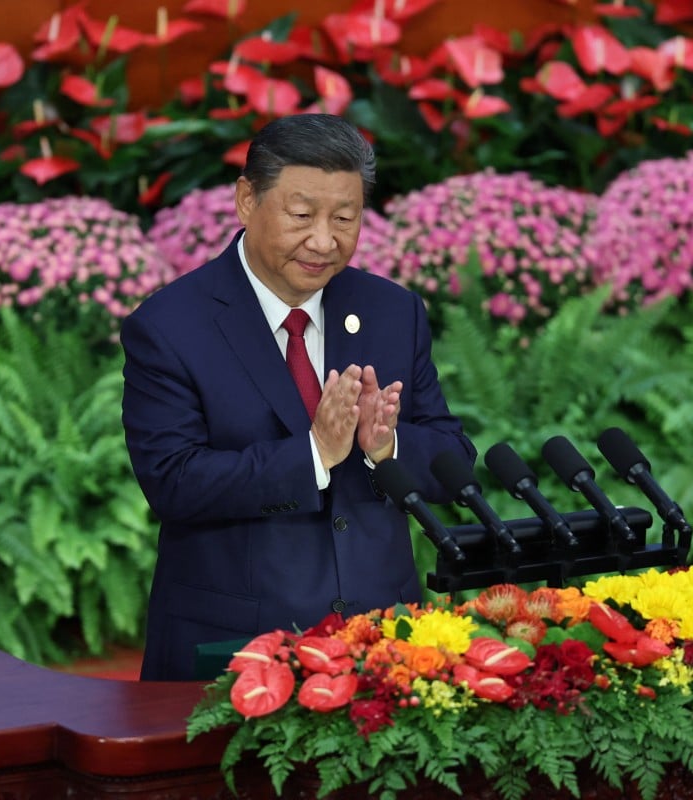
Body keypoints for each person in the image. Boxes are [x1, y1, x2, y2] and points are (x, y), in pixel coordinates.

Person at [121, 113, 476, 681]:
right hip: (235, 651)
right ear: (246, 200)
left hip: (384, 645)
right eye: (302, 215)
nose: (323, 241)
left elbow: (454, 462)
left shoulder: (392, 312)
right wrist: (313, 454)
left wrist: (386, 449)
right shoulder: (170, 326)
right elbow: (174, 482)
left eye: (345, 218)